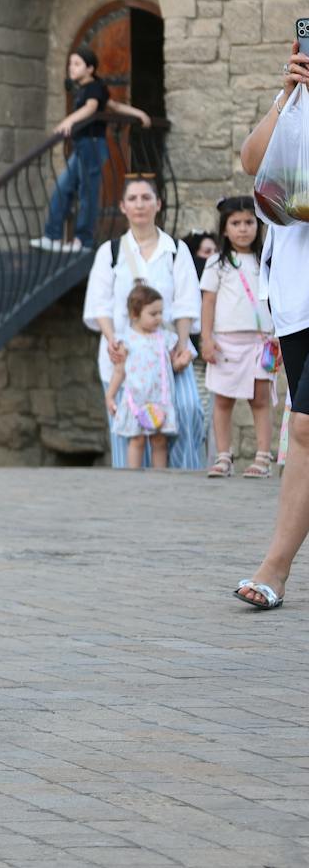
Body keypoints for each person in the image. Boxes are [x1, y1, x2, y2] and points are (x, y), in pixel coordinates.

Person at [232, 45, 309, 609]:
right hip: (296, 297)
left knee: (304, 426)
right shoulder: (297, 102)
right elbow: (252, 161)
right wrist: (287, 93)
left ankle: (274, 568)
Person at [80, 175, 205, 470]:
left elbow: (186, 302)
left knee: (186, 410)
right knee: (129, 426)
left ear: (158, 204)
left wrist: (182, 346)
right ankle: (132, 489)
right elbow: (100, 303)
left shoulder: (175, 250)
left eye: (146, 198)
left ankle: (182, 479)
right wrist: (113, 341)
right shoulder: (110, 252)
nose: (140, 205)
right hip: (127, 354)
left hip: (167, 352)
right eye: (133, 199)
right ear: (123, 206)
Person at [33, 47, 151, 253]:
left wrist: (68, 121)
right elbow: (115, 106)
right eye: (70, 64)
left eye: (77, 64)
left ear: (90, 68)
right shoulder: (87, 88)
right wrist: (139, 113)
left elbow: (91, 108)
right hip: (83, 146)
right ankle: (52, 236)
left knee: (87, 193)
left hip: (93, 145)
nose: (71, 68)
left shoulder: (94, 87)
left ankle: (83, 240)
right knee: (63, 188)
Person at [200, 196, 277, 479]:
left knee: (260, 398)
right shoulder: (216, 264)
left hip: (261, 342)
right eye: (235, 223)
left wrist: (279, 335)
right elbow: (208, 303)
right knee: (223, 400)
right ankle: (224, 455)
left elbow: (277, 299)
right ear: (224, 228)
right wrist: (207, 339)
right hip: (226, 343)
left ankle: (263, 457)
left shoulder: (266, 260)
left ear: (259, 225)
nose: (243, 228)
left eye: (248, 222)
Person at [107, 282, 180, 470]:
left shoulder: (165, 337)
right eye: (153, 314)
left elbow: (173, 364)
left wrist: (182, 360)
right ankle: (134, 477)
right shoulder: (127, 340)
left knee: (159, 440)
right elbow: (119, 371)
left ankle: (159, 477)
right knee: (137, 439)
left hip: (159, 399)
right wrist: (110, 395)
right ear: (135, 314)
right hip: (136, 401)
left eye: (160, 313)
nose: (159, 318)